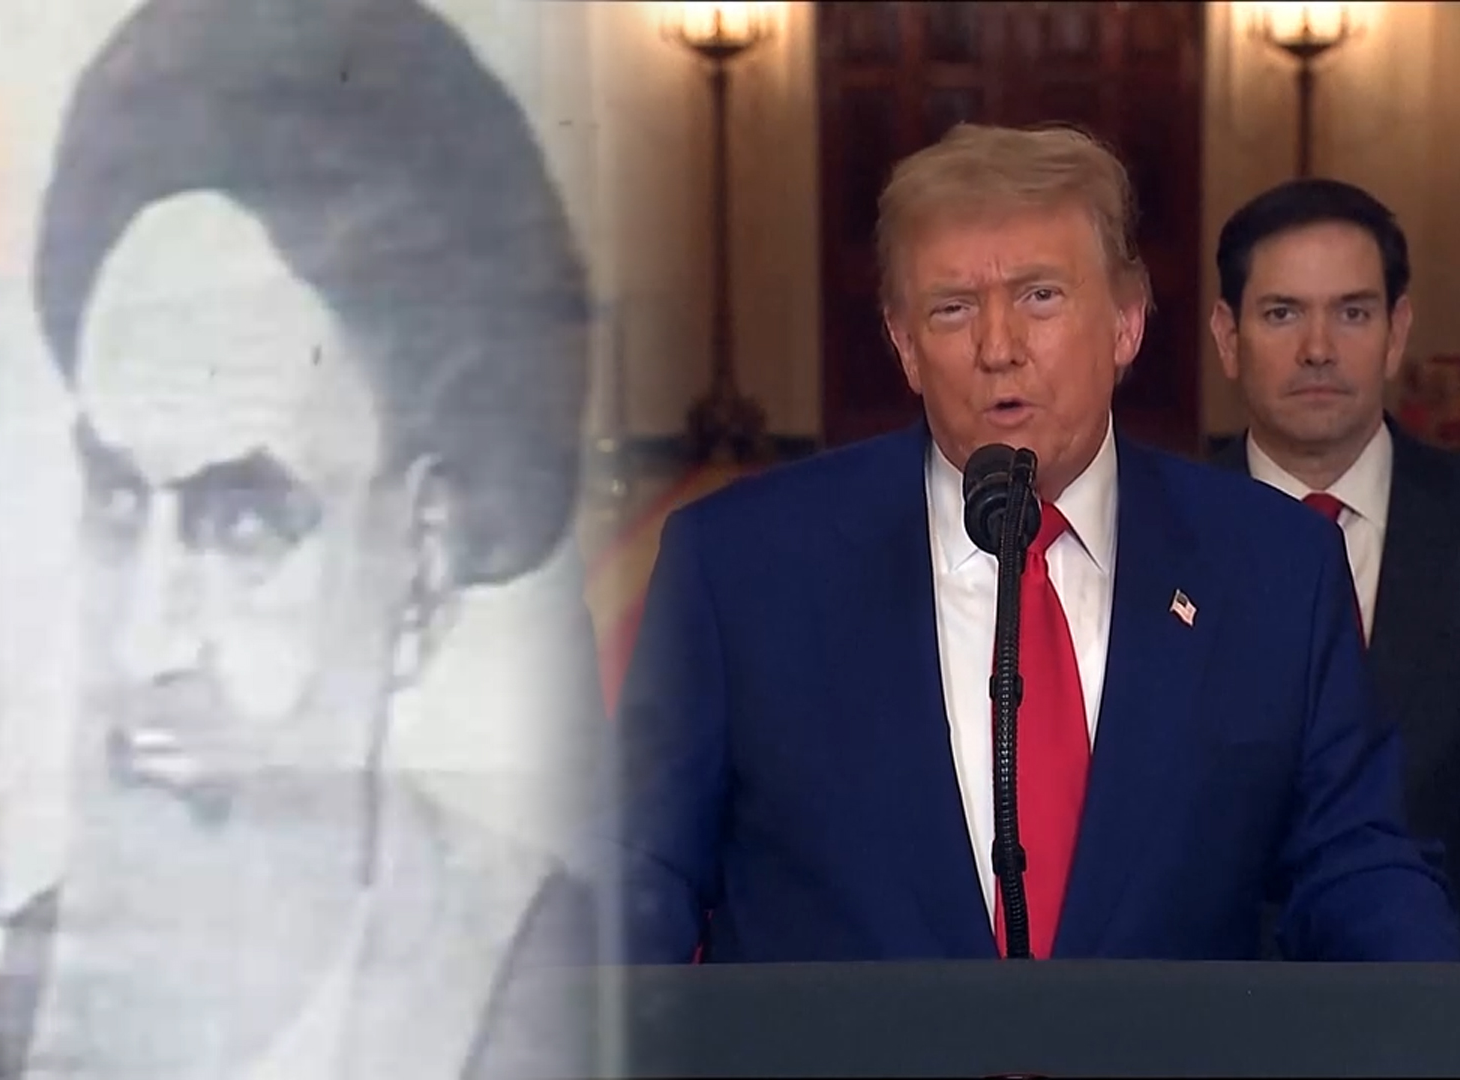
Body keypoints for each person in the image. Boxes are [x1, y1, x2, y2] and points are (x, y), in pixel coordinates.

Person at [609, 122, 1460, 964]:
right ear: (905, 346)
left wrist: (1426, 1008)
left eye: (1040, 297)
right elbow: (639, 870)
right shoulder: (742, 565)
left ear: (1126, 323)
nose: (998, 348)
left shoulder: (1273, 566)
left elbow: (1354, 865)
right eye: (953, 309)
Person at [4, 0, 603, 1076]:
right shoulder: (20, 985)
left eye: (243, 524)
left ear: (422, 570)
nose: (144, 644)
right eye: (119, 505)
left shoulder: (552, 995)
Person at [1208, 178, 1460, 915]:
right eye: (1282, 313)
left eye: (1352, 313)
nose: (1318, 350)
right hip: (1210, 976)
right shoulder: (1146, 539)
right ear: (1228, 337)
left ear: (1397, 331)